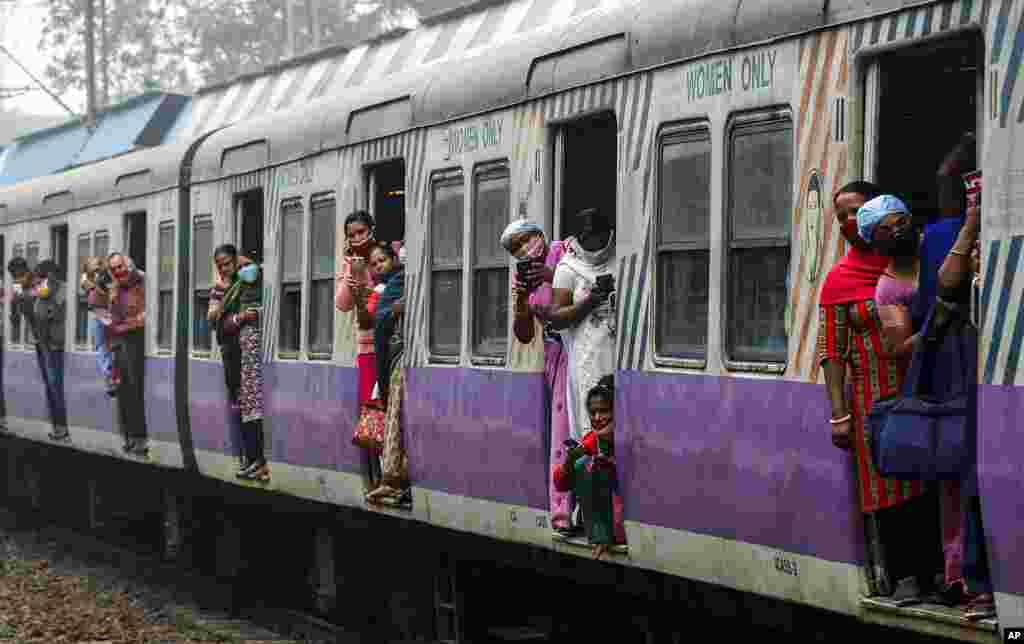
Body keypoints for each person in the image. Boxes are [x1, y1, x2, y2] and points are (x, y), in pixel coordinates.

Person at [818, 183, 938, 602]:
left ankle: (936, 573)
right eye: (841, 217)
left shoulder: (911, 261)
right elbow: (832, 351)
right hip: (872, 397)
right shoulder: (839, 280)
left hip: (925, 384)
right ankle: (903, 574)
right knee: (887, 485)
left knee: (929, 480)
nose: (848, 222)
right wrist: (838, 413)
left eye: (856, 211)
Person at [501, 219, 573, 534]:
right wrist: (520, 301)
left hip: (578, 348)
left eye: (526, 240)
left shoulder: (562, 252)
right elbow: (525, 334)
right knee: (560, 433)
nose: (525, 249)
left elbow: (580, 287)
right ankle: (562, 511)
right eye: (516, 248)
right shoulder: (525, 280)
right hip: (554, 355)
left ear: (539, 236)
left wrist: (550, 275)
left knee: (578, 427)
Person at [550, 208, 617, 443]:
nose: (595, 244)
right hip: (587, 357)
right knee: (592, 420)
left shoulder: (623, 258)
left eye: (599, 237)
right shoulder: (568, 268)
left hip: (618, 353)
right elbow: (556, 318)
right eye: (588, 240)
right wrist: (590, 301)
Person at [209, 245, 268, 482]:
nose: (225, 268)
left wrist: (232, 319)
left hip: (246, 351)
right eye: (220, 265)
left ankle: (255, 459)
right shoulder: (222, 289)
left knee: (249, 406)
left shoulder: (247, 282)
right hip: (231, 352)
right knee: (240, 406)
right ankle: (248, 458)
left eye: (229, 263)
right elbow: (214, 320)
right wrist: (237, 318)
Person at [336, 211, 386, 486]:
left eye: (361, 232)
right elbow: (343, 305)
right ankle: (375, 473)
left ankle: (388, 468)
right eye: (352, 234)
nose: (357, 238)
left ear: (371, 229)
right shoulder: (350, 263)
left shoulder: (382, 254)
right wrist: (350, 275)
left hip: (388, 341)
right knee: (371, 407)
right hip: (367, 345)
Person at [552, 375, 625, 560]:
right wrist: (570, 461)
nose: (598, 418)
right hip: (611, 521)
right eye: (593, 413)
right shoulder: (591, 441)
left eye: (604, 411)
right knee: (585, 464)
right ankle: (601, 537)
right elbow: (560, 484)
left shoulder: (633, 437)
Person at [365, 242, 409, 504]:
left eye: (382, 260)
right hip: (395, 361)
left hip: (395, 363)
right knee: (393, 422)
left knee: (395, 422)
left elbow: (380, 326)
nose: (378, 266)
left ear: (395, 258)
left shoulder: (397, 282)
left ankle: (392, 480)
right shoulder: (393, 284)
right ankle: (390, 479)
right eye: (374, 263)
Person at [9, 257, 68, 441]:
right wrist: (14, 304)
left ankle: (62, 427)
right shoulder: (20, 287)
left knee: (54, 385)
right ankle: (58, 427)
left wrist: (21, 292)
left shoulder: (42, 283)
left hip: (53, 342)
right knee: (49, 385)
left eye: (20, 276)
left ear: (28, 272)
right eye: (15, 278)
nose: (17, 281)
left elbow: (42, 293)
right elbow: (16, 312)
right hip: (40, 342)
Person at [107, 252, 147, 455]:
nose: (117, 272)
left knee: (137, 390)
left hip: (138, 343)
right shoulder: (114, 289)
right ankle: (130, 437)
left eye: (120, 267)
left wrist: (127, 326)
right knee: (125, 393)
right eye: (113, 269)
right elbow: (111, 319)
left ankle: (140, 438)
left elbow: (147, 316)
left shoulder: (143, 283)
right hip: (120, 347)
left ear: (129, 266)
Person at [81, 256, 118, 396]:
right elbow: (88, 288)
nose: (97, 266)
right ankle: (109, 375)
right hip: (99, 314)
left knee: (106, 345)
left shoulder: (106, 276)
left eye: (99, 264)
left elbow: (111, 293)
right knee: (101, 345)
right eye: (93, 265)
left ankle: (112, 375)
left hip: (108, 314)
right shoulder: (87, 279)